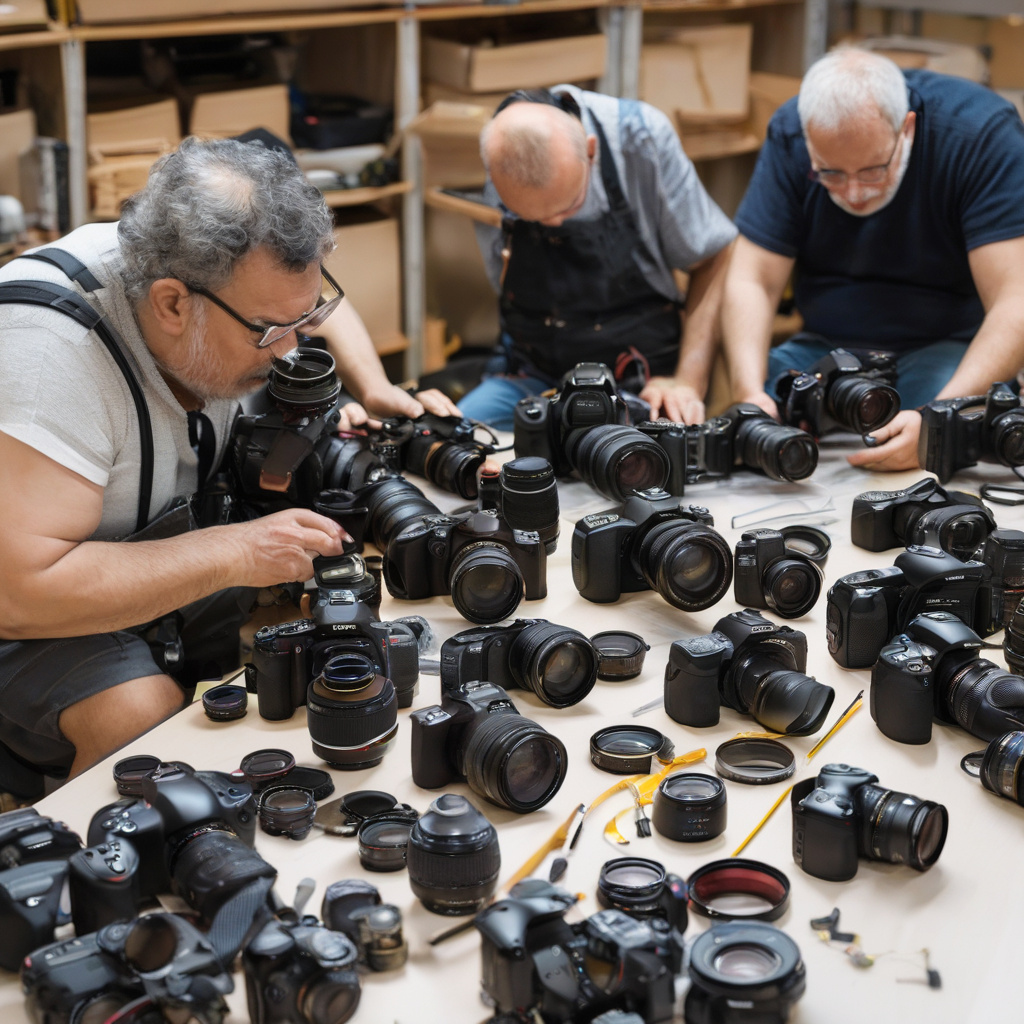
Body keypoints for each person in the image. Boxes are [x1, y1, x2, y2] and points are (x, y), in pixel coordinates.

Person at [0, 136, 455, 793]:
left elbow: (290, 298)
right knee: (140, 722)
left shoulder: (213, 270)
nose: (296, 349)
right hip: (32, 595)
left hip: (132, 542)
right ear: (172, 305)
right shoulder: (49, 359)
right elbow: (22, 592)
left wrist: (374, 384)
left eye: (310, 317)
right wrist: (237, 553)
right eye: (272, 333)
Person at [721, 48, 1024, 472]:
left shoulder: (979, 134)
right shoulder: (789, 132)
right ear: (809, 141)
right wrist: (748, 390)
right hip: (828, 348)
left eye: (871, 171)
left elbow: (1015, 300)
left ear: (908, 129)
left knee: (953, 437)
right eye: (831, 173)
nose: (854, 193)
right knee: (755, 421)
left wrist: (937, 422)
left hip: (946, 348)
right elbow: (753, 278)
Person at [458, 86, 736, 430]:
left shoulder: (639, 138)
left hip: (645, 379)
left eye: (569, 206)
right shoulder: (495, 154)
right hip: (536, 375)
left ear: (591, 151)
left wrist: (687, 383)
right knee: (461, 440)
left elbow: (714, 256)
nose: (553, 226)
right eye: (531, 217)